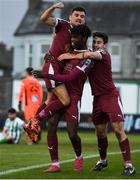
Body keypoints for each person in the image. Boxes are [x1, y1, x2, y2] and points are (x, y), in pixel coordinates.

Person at [57, 32, 136, 176]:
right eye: (94, 42)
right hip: (97, 99)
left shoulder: (103, 54)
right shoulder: (89, 59)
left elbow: (89, 55)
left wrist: (69, 55)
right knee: (100, 131)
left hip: (110, 96)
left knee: (118, 130)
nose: (95, 44)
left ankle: (129, 165)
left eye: (98, 42)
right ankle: (103, 160)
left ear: (104, 44)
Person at [33, 25, 92, 172]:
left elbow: (70, 77)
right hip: (61, 91)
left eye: (75, 38)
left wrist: (45, 75)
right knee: (51, 125)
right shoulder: (68, 50)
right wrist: (48, 58)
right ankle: (55, 164)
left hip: (73, 96)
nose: (72, 40)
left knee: (72, 133)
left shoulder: (88, 57)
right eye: (71, 37)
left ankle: (79, 157)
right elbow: (55, 63)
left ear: (84, 39)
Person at [24, 2, 87, 142]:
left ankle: (33, 122)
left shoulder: (80, 35)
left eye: (82, 16)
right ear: (70, 17)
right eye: (76, 15)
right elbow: (44, 19)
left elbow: (76, 51)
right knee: (65, 100)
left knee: (49, 100)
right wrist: (53, 7)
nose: (79, 18)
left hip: (57, 69)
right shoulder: (62, 24)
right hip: (53, 66)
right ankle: (34, 121)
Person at [18, 67, 43, 144]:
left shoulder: (25, 81)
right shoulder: (37, 82)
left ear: (27, 72)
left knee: (28, 122)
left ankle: (30, 140)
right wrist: (39, 104)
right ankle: (36, 138)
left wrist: (19, 102)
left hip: (29, 105)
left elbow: (21, 93)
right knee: (35, 121)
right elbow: (41, 94)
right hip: (37, 105)